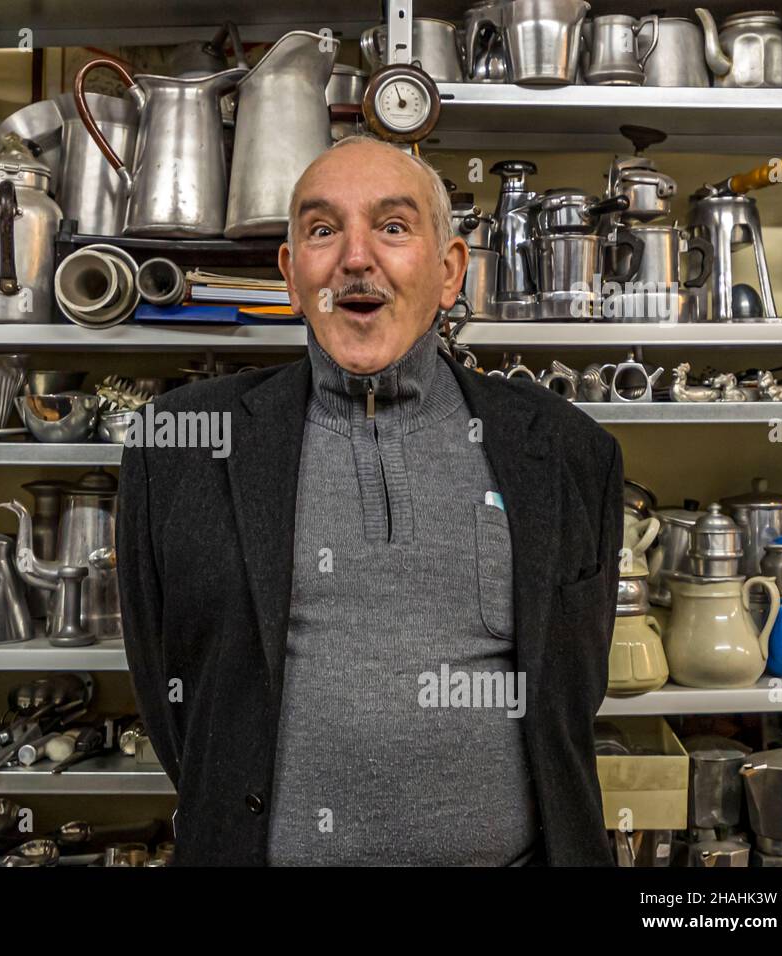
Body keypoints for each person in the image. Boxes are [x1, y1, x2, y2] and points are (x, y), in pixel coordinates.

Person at [117, 136, 623, 866]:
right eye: (323, 230)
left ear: (450, 273)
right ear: (292, 276)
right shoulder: (179, 448)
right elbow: (173, 700)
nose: (356, 258)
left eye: (392, 227)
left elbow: (572, 693)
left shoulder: (569, 452)